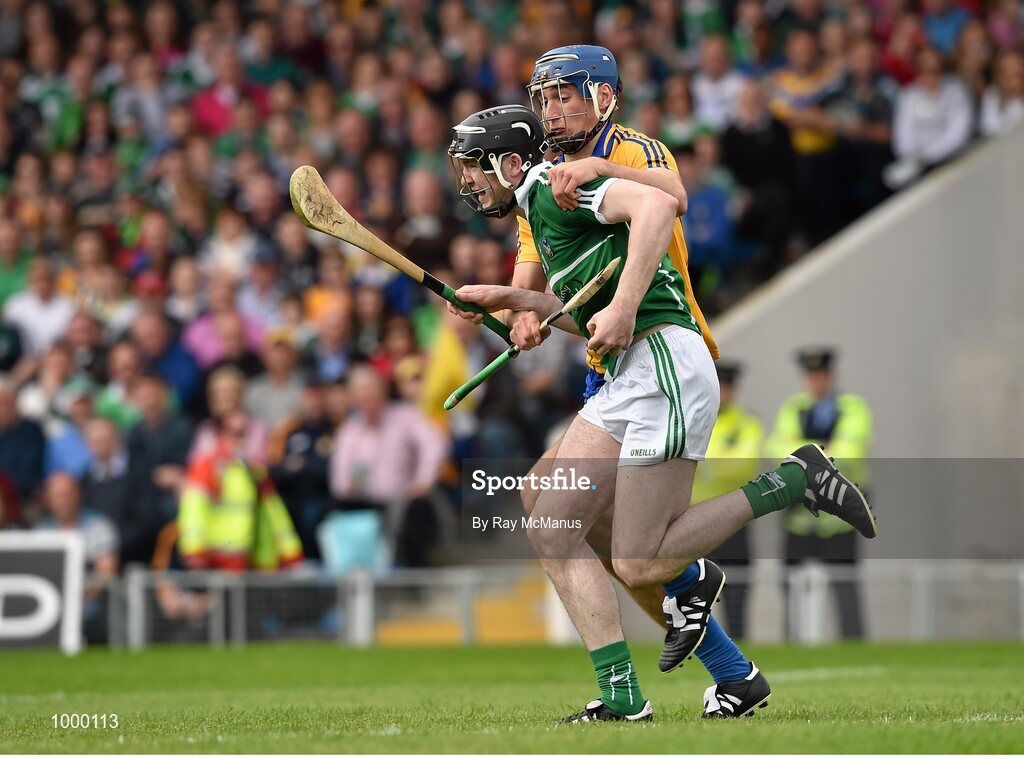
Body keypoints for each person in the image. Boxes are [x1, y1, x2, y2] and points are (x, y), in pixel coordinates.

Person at [448, 104, 876, 723]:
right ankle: (632, 691)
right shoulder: (536, 212)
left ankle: (795, 480)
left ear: (511, 162)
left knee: (639, 559)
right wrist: (512, 299)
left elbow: (657, 206)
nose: (466, 183)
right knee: (550, 517)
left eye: (473, 169)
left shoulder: (551, 187)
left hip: (666, 366)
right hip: (629, 376)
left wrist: (620, 310)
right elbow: (581, 315)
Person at [449, 45, 758, 719]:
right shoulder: (545, 186)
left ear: (604, 97)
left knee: (627, 547)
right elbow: (538, 284)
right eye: (545, 98)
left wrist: (595, 170)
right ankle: (710, 667)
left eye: (567, 95)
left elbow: (666, 201)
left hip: (660, 340)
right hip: (610, 365)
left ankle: (699, 610)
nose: (554, 108)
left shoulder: (633, 151)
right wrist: (516, 313)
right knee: (558, 511)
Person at [766, 348, 873, 640]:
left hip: (838, 520)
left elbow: (851, 452)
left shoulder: (851, 407)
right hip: (800, 519)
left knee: (845, 590)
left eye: (820, 375)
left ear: (830, 376)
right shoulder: (794, 407)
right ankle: (792, 645)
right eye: (810, 375)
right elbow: (776, 449)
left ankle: (853, 647)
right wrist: (824, 449)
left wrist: (804, 451)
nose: (815, 381)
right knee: (790, 590)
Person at [177, 408, 303, 572]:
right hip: (213, 562)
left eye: (244, 433)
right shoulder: (208, 467)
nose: (241, 440)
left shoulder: (254, 472)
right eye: (235, 433)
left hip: (248, 563)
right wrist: (194, 551)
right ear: (221, 433)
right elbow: (193, 510)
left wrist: (291, 554)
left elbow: (275, 516)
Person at [691, 361, 764, 639]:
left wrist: (704, 461)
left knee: (737, 594)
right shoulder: (694, 415)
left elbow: (743, 466)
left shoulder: (747, 421)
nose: (724, 393)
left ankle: (738, 648)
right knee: (696, 596)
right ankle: (702, 648)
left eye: (728, 387)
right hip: (696, 520)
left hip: (735, 520)